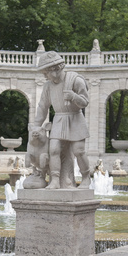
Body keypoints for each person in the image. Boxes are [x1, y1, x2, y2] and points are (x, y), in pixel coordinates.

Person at [34, 51, 90, 189]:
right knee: (53, 149)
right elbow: (43, 106)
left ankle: (86, 177)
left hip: (75, 118)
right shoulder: (48, 86)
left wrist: (73, 96)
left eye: (45, 72)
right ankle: (55, 180)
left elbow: (85, 102)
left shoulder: (76, 80)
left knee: (79, 151)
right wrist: (36, 125)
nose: (44, 76)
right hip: (59, 118)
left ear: (55, 70)